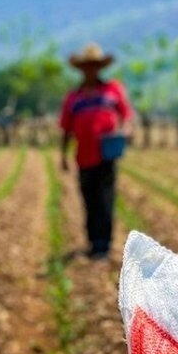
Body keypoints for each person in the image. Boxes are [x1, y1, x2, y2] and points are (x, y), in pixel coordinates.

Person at [59, 42, 133, 260]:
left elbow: (126, 116)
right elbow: (66, 128)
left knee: (105, 198)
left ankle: (103, 245)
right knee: (89, 199)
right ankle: (93, 242)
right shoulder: (74, 97)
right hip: (83, 156)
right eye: (87, 66)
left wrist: (126, 131)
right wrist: (63, 156)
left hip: (106, 154)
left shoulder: (112, 90)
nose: (91, 70)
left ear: (100, 68)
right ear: (81, 69)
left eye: (94, 66)